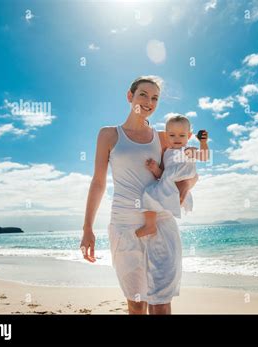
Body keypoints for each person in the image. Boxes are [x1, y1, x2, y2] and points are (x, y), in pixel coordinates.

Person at [80, 76, 198, 314]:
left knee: (161, 302)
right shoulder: (109, 135)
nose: (149, 102)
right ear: (129, 96)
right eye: (143, 94)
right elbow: (99, 182)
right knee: (135, 304)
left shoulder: (165, 136)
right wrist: (87, 229)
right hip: (125, 226)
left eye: (155, 98)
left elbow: (186, 173)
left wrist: (185, 189)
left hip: (161, 224)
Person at [135, 114, 209, 238]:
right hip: (169, 184)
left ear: (189, 136)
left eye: (182, 135)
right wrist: (155, 169)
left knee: (149, 194)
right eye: (172, 135)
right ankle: (151, 225)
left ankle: (150, 225)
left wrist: (203, 143)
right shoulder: (167, 153)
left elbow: (204, 156)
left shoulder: (187, 150)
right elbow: (163, 175)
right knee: (148, 194)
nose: (177, 138)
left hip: (179, 183)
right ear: (166, 135)